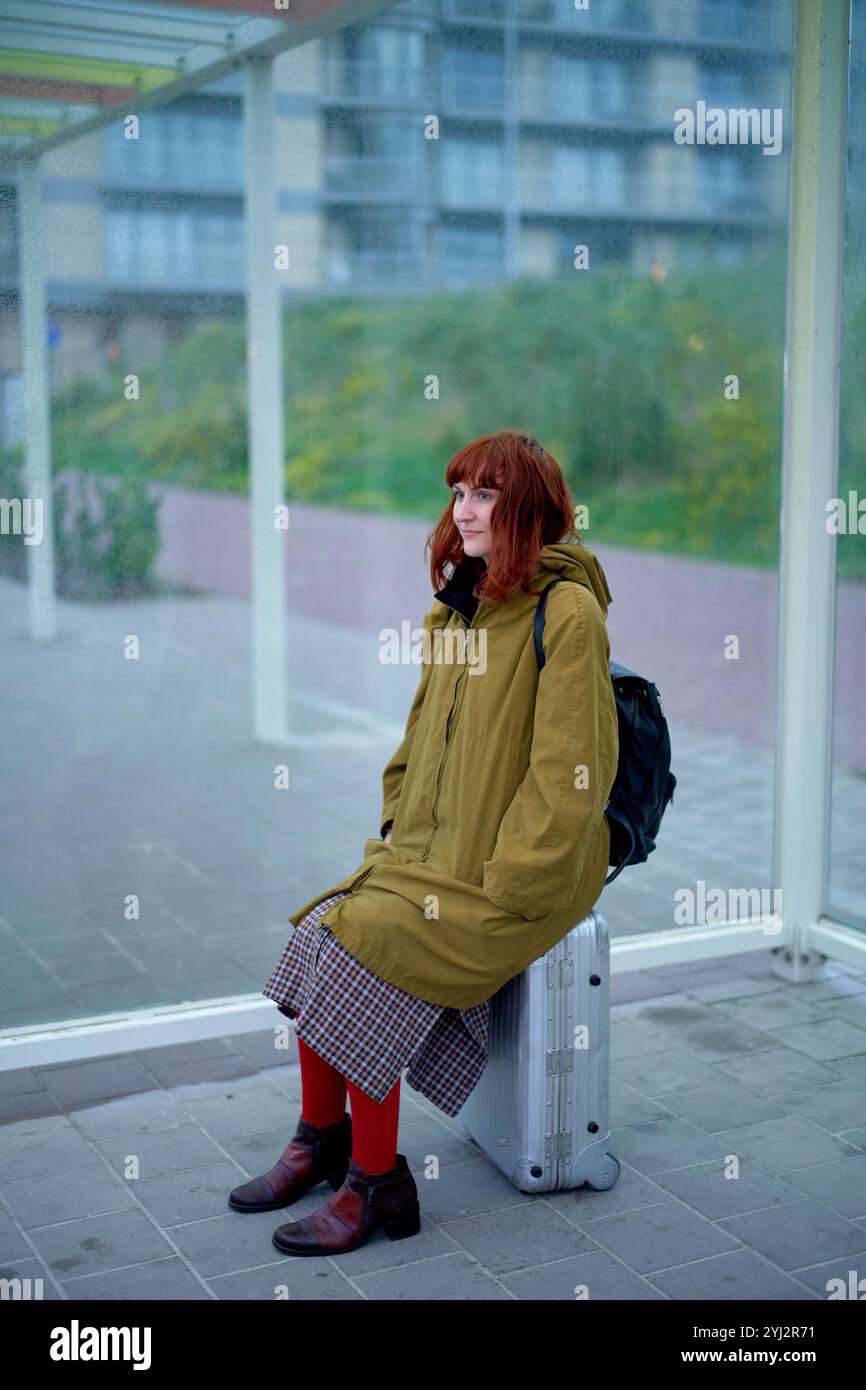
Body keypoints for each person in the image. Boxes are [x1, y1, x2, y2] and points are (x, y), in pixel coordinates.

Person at [228, 429, 620, 1257]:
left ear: (529, 509)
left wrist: (512, 881)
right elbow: (416, 738)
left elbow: (571, 775)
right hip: (430, 858)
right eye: (458, 492)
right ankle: (322, 1141)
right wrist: (397, 826)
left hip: (521, 879)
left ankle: (378, 1188)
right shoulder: (458, 606)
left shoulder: (569, 612)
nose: (463, 510)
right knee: (320, 930)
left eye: (484, 494)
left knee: (364, 947)